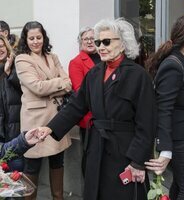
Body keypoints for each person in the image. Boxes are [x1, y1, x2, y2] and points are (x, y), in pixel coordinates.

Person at [37, 18, 156, 200]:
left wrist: (138, 162)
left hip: (125, 153)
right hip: (96, 148)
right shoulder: (94, 73)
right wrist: (50, 127)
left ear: (123, 44)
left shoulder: (138, 76)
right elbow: (77, 105)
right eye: (98, 42)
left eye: (107, 42)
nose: (101, 46)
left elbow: (147, 123)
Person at [15, 21, 72, 200]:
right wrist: (59, 83)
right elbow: (38, 87)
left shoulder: (52, 56)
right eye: (31, 38)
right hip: (35, 119)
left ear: (43, 37)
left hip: (56, 117)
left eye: (38, 37)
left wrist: (55, 84)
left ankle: (58, 197)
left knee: (58, 161)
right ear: (26, 39)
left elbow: (69, 83)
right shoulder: (22, 58)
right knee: (32, 165)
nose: (35, 41)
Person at [145, 15, 184, 200]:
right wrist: (166, 150)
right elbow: (164, 110)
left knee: (180, 184)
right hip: (178, 139)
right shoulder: (173, 65)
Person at [68, 26, 100, 142]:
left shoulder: (104, 58)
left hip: (107, 116)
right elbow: (80, 91)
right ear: (81, 42)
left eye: (92, 38)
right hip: (89, 117)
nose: (90, 41)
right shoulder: (76, 62)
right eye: (86, 39)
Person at [0, 35, 23, 173]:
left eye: (1, 46)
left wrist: (9, 72)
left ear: (6, 47)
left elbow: (24, 89)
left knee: (16, 171)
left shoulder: (16, 64)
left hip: (14, 129)